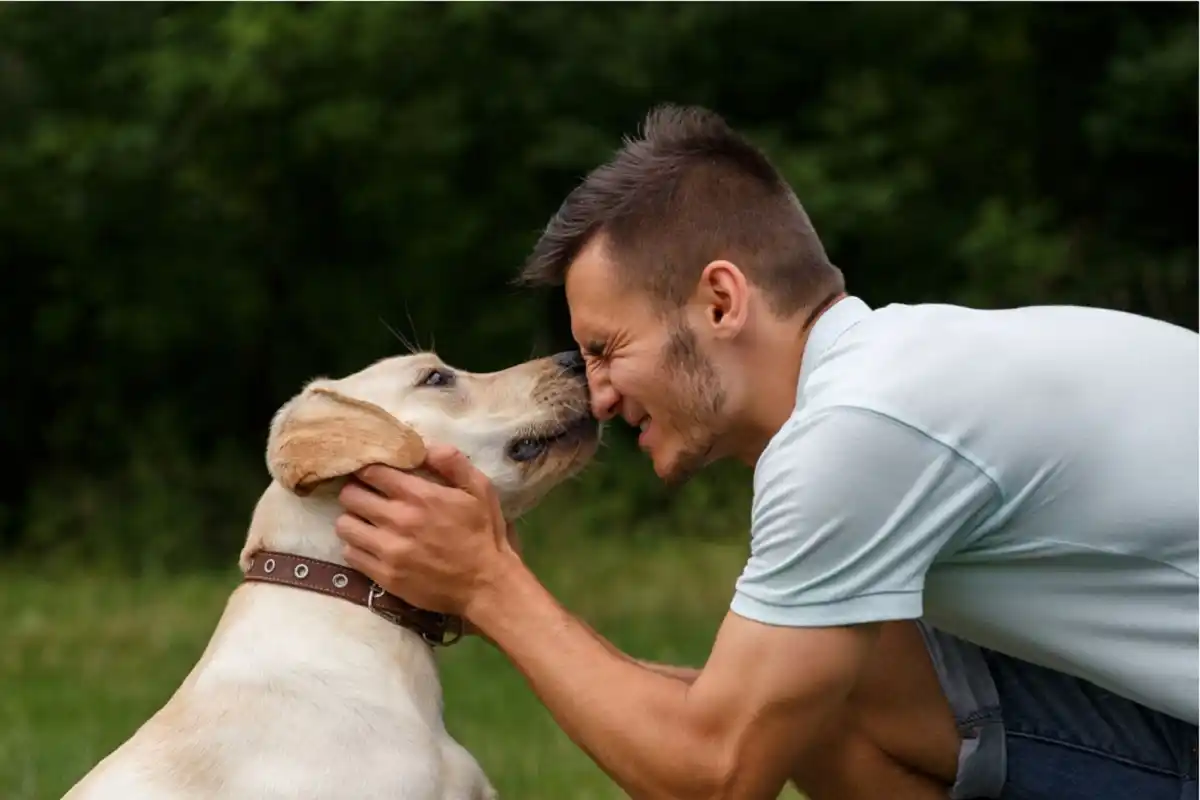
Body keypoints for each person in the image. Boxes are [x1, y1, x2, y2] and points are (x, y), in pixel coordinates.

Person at [333, 105, 1199, 799]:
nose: (595, 394)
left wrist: (489, 586)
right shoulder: (900, 377)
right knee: (823, 694)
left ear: (719, 301)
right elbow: (746, 714)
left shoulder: (860, 431)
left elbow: (716, 774)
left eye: (605, 349)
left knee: (808, 711)